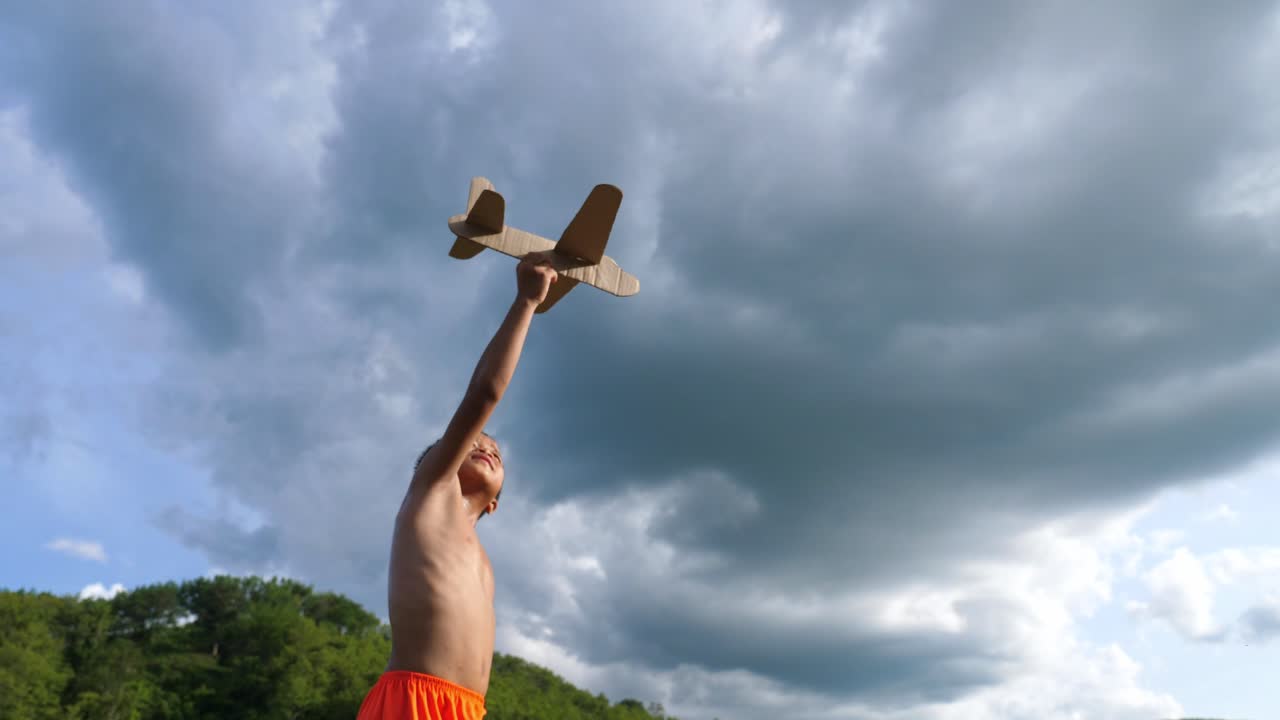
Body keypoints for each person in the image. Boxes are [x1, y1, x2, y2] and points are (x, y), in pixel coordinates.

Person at [357, 251, 559, 720]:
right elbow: (484, 395)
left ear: (496, 504)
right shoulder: (431, 496)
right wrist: (526, 302)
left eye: (496, 452)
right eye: (473, 444)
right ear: (435, 465)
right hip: (414, 699)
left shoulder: (480, 557)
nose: (487, 446)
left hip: (469, 710)